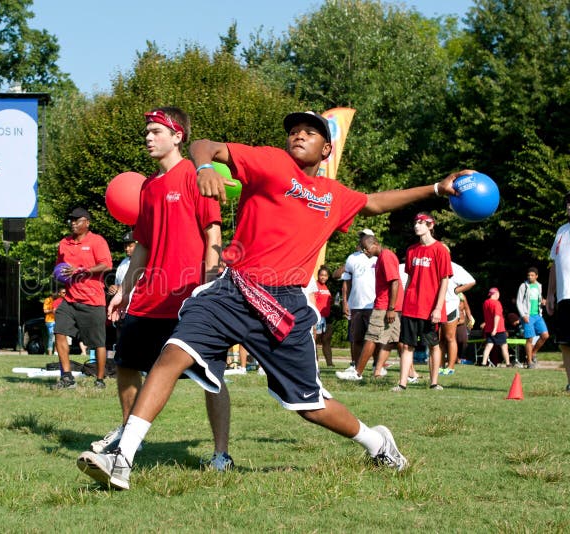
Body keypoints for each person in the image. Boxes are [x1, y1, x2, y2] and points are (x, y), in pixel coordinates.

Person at [77, 109, 471, 490]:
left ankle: (377, 443)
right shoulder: (271, 163)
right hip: (233, 289)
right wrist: (204, 168)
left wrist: (437, 189)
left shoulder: (333, 195)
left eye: (310, 132)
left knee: (309, 406)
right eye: (294, 129)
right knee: (172, 352)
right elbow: (206, 145)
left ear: (326, 151)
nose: (299, 135)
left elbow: (374, 202)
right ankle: (122, 458)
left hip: (283, 304)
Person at [91, 106, 231, 470]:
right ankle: (128, 435)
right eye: (147, 132)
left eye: (156, 131)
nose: (148, 138)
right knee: (125, 365)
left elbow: (212, 232)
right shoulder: (149, 187)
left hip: (189, 296)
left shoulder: (197, 176)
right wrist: (124, 289)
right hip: (150, 297)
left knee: (211, 378)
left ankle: (220, 454)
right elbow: (144, 245)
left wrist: (210, 283)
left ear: (177, 136)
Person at [53, 207, 113, 389]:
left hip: (93, 301)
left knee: (98, 343)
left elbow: (106, 264)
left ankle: (100, 380)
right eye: (71, 220)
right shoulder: (64, 243)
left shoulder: (97, 241)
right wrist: (59, 275)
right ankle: (67, 378)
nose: (73, 223)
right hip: (70, 300)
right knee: (59, 332)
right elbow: (59, 267)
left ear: (87, 223)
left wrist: (81, 270)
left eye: (77, 220)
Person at [393, 213, 452, 392]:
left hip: (430, 307)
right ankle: (402, 383)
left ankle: (434, 382)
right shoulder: (412, 250)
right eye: (415, 222)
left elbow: (445, 280)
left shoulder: (440, 250)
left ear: (430, 225)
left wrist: (438, 308)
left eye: (420, 223)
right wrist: (403, 303)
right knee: (407, 345)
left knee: (433, 344)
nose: (417, 226)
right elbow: (410, 279)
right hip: (411, 306)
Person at [336, 234, 403, 381]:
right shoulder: (380, 258)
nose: (365, 252)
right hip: (384, 304)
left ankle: (357, 372)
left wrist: (391, 308)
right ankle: (381, 371)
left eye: (367, 248)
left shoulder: (386, 256)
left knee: (371, 338)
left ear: (376, 244)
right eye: (363, 249)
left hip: (385, 305)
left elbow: (395, 282)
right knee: (389, 340)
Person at [340, 229, 378, 372]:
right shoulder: (352, 258)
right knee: (356, 338)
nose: (362, 239)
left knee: (374, 338)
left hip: (374, 304)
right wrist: (345, 302)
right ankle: (355, 367)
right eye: (361, 237)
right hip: (356, 304)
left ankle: (376, 366)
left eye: (366, 237)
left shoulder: (377, 257)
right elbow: (346, 283)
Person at [547, 194, 570, 392]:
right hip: (564, 296)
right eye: (568, 203)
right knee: (565, 343)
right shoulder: (561, 231)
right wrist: (550, 294)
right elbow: (554, 265)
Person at [439, 261, 476, 375]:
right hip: (436, 306)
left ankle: (450, 367)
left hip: (450, 307)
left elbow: (472, 281)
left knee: (450, 338)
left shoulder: (454, 267)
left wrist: (456, 291)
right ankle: (439, 366)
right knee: (439, 339)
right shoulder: (433, 264)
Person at [516, 267, 549, 369]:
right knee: (529, 339)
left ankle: (533, 353)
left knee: (545, 335)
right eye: (528, 275)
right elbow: (519, 302)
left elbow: (539, 299)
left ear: (536, 276)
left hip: (538, 315)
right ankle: (529, 362)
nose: (530, 277)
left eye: (532, 275)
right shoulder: (523, 286)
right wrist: (523, 315)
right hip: (527, 316)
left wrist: (543, 301)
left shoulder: (539, 286)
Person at [308, 266, 335, 367]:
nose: (323, 277)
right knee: (314, 340)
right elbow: (312, 301)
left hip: (325, 317)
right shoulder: (315, 285)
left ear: (328, 277)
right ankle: (314, 362)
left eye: (325, 275)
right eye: (321, 275)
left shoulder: (326, 287)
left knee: (326, 340)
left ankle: (330, 363)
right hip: (317, 317)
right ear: (318, 275)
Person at [480, 287, 511, 367]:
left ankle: (483, 363)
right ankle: (508, 363)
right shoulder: (497, 303)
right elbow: (496, 316)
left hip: (488, 329)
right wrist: (495, 329)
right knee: (504, 346)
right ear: (496, 294)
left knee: (488, 346)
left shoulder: (485, 302)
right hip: (498, 329)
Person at [43, 291, 57, 356]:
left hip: (57, 320)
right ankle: (50, 353)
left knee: (58, 336)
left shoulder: (58, 300)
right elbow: (45, 310)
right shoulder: (47, 300)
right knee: (51, 336)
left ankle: (56, 352)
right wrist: (52, 310)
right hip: (50, 321)